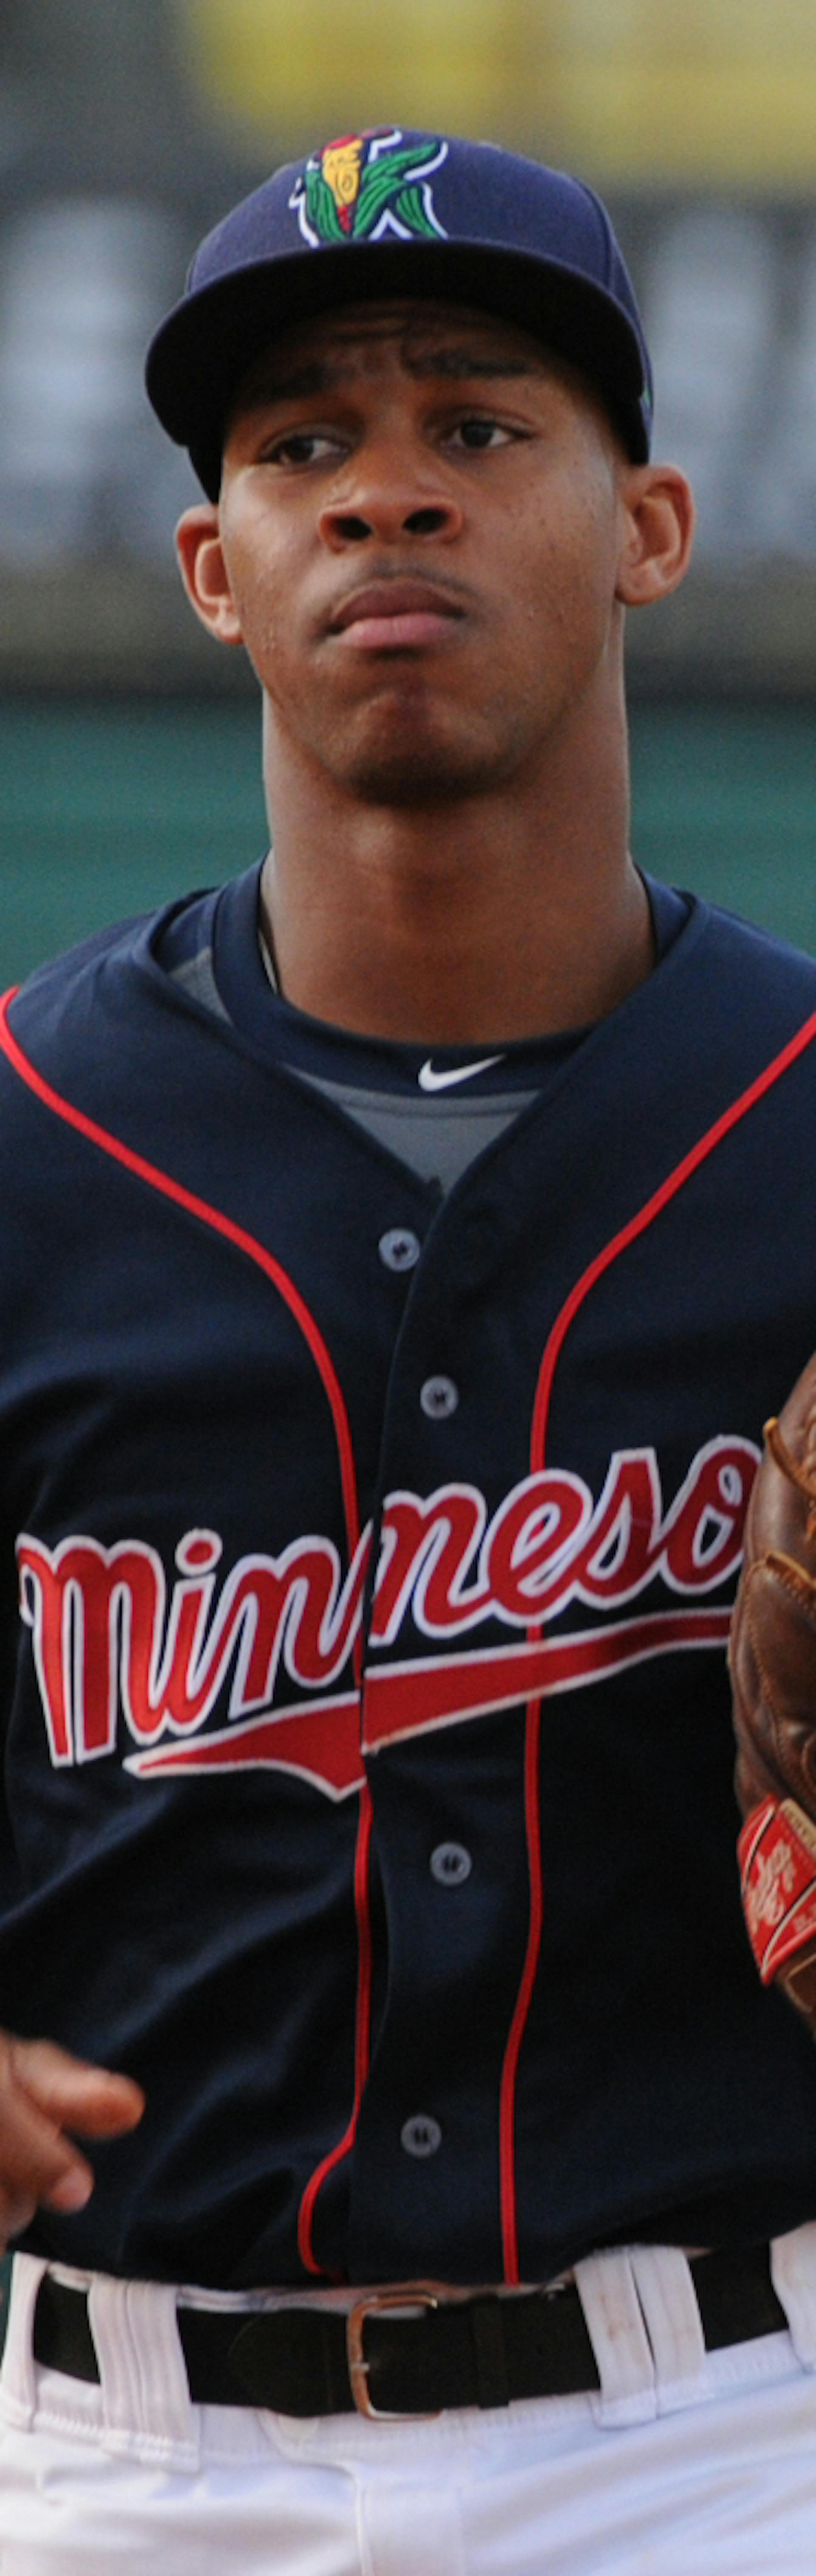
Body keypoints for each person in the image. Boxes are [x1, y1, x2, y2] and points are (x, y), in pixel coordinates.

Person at [1, 122, 816, 2574]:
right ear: (212, 569)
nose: (384, 498)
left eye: (477, 426)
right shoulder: (29, 1130)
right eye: (300, 449)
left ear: (649, 525)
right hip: (107, 2457)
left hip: (733, 2431)